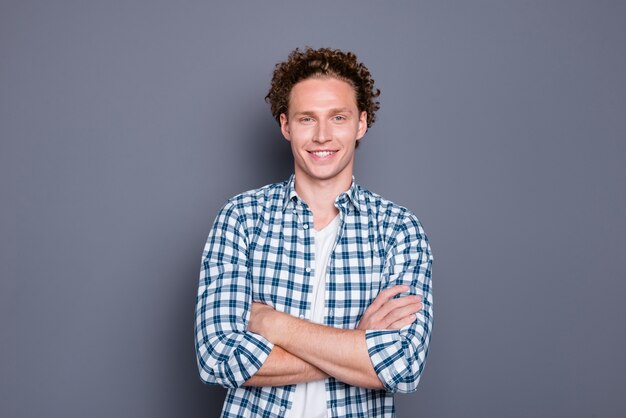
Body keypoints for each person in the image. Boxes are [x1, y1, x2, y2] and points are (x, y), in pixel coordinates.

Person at [195, 47, 433, 418]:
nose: (322, 135)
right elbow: (218, 358)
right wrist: (357, 346)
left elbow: (402, 367)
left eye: (338, 117)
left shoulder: (398, 229)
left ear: (361, 123)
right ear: (286, 125)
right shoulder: (241, 218)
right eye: (307, 119)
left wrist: (272, 323)